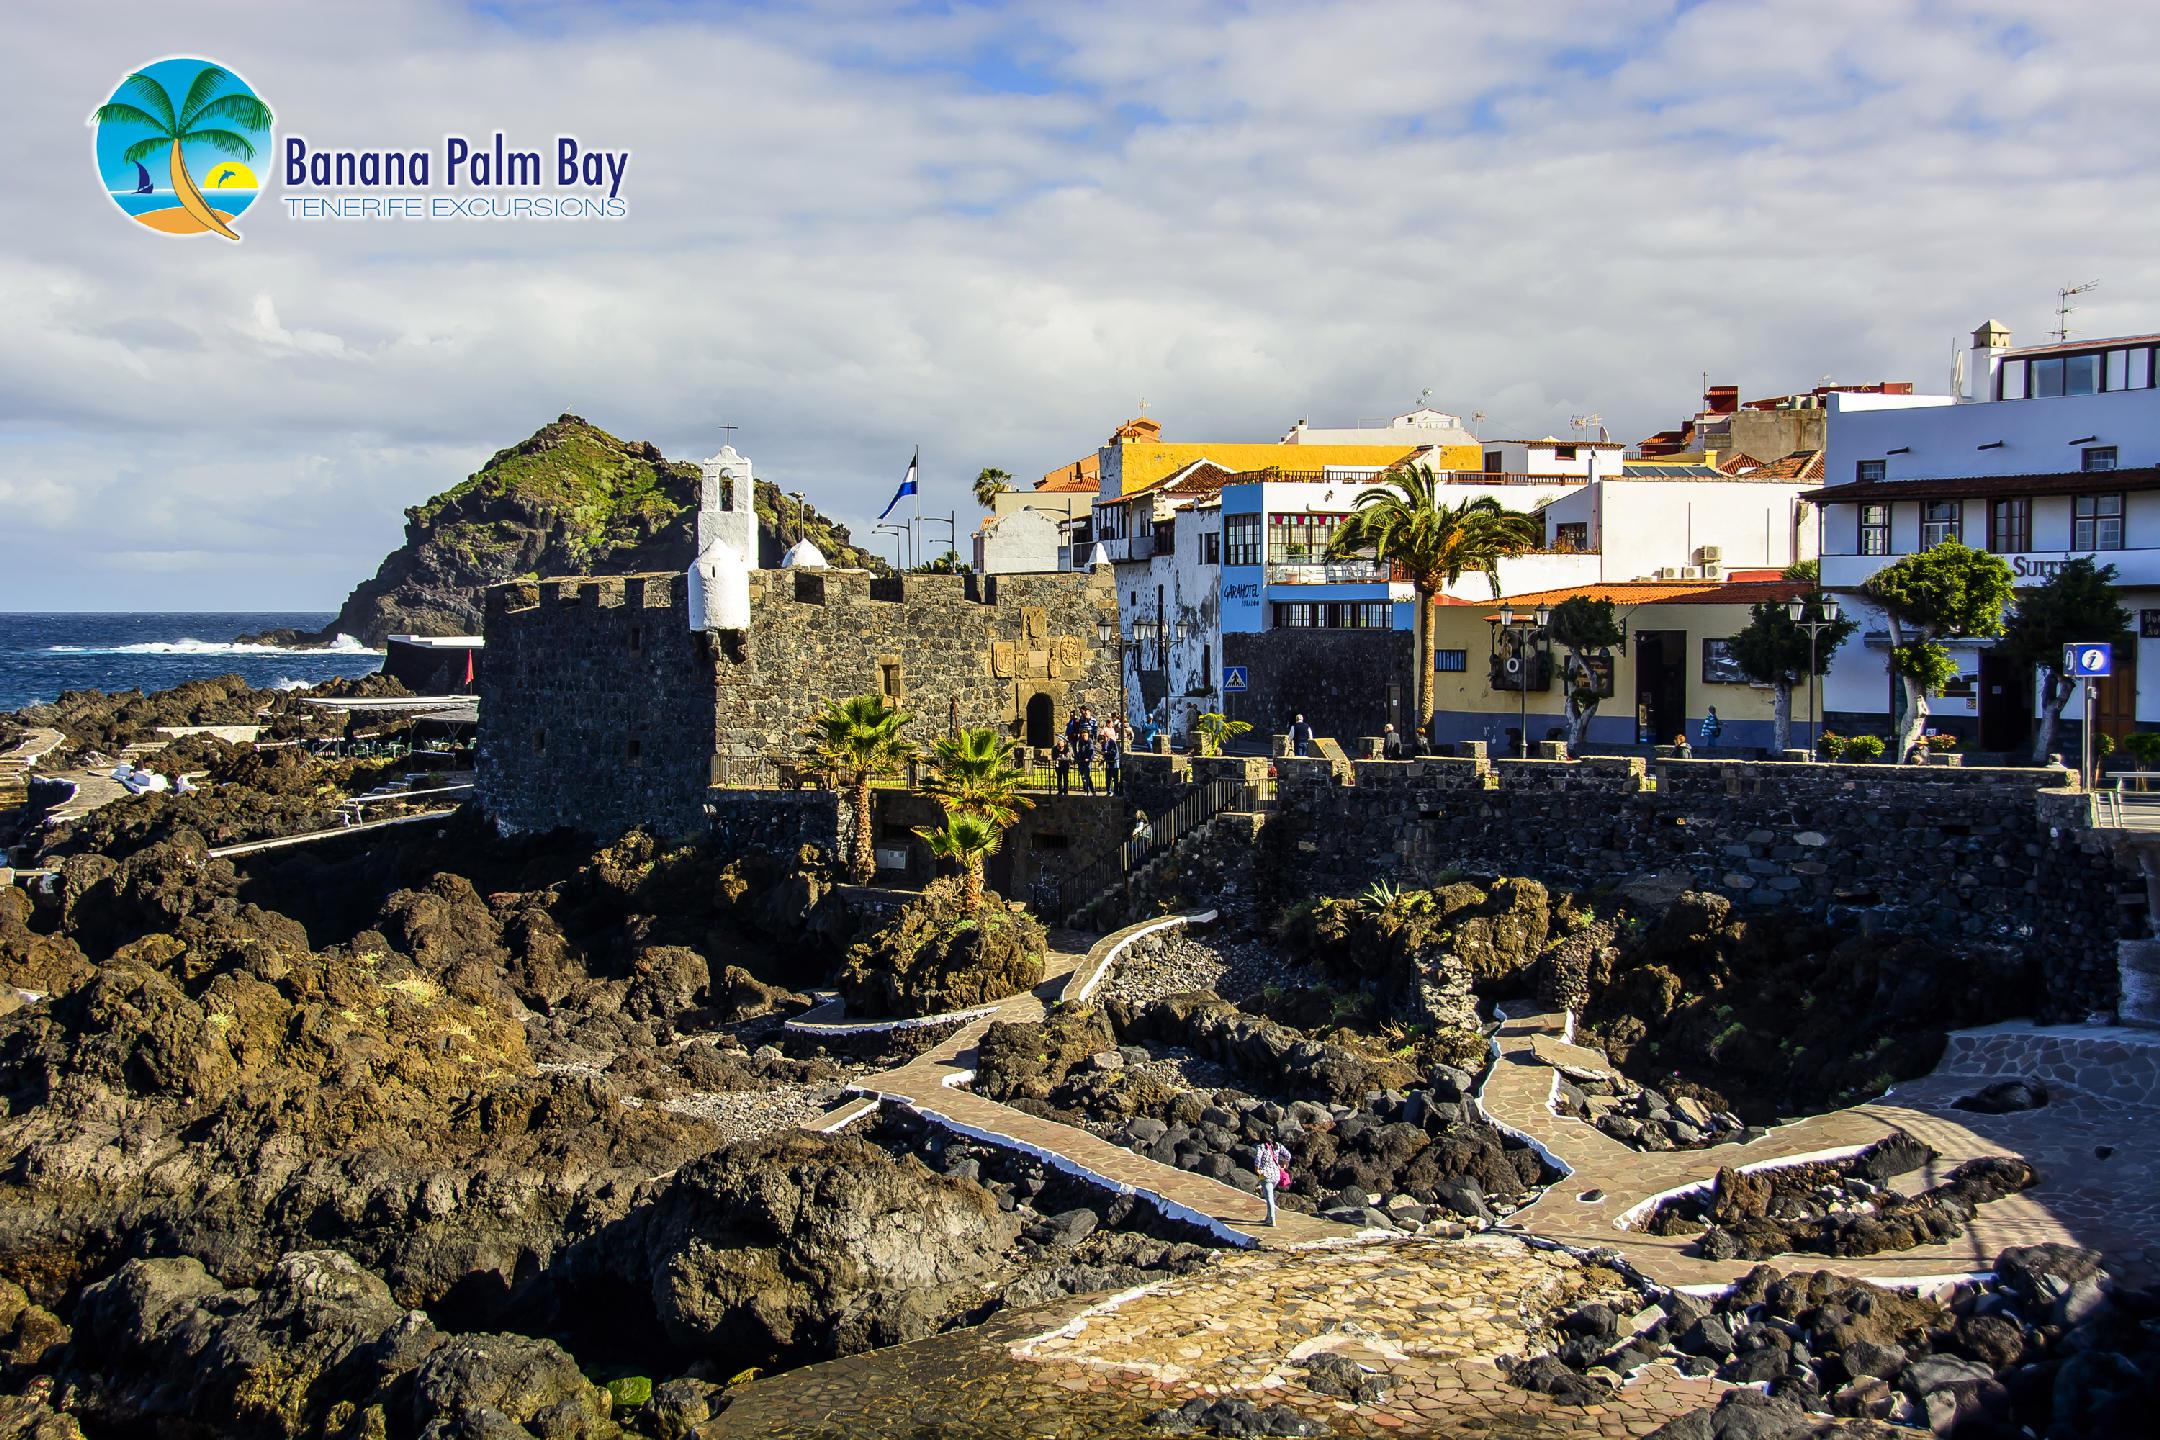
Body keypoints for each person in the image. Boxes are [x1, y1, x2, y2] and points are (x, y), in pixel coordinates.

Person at [1253, 1140, 1290, 1226]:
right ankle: (1268, 1217)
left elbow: (1258, 1159)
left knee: (1269, 1197)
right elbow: (1288, 1155)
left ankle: (1272, 1219)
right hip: (1276, 1175)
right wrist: (1285, 1165)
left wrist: (1257, 1169)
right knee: (1269, 1194)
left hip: (1265, 1175)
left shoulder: (1261, 1147)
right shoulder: (1277, 1145)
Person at [1075, 724, 1098, 795]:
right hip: (1081, 761)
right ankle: (1087, 790)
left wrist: (1089, 758)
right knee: (1083, 777)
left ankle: (1090, 790)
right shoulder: (1080, 741)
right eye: (1083, 735)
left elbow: (1092, 751)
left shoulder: (1090, 741)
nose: (1084, 736)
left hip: (1087, 762)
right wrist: (1077, 758)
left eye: (1085, 735)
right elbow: (1079, 751)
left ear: (1088, 735)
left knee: (1087, 776)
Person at [1101, 722, 1122, 793]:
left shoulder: (1112, 742)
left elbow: (1114, 752)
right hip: (1108, 761)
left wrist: (1106, 753)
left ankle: (1115, 791)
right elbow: (1104, 752)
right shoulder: (1104, 743)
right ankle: (1108, 791)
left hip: (1114, 761)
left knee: (1115, 777)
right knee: (1108, 778)